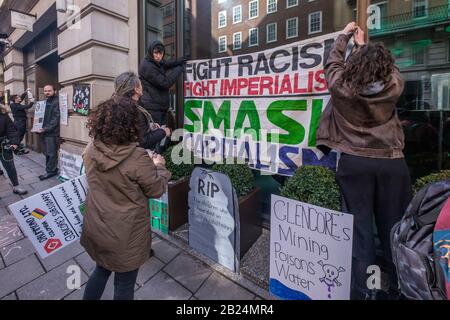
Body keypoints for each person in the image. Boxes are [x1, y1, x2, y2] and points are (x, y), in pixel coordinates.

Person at [316, 22, 412, 300]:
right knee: (394, 228)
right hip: (392, 164)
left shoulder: (341, 87)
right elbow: (392, 70)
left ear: (353, 68)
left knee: (360, 232)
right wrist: (363, 46)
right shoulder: (394, 86)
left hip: (354, 163)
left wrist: (345, 36)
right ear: (385, 66)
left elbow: (332, 61)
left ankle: (366, 291)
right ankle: (400, 287)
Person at [81, 97, 171, 300]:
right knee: (124, 285)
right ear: (130, 124)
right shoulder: (137, 156)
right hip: (126, 234)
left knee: (100, 271)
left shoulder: (91, 148)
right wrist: (159, 166)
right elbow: (156, 188)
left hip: (97, 226)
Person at [113, 71, 171, 150]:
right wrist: (163, 132)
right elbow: (142, 142)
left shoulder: (114, 106)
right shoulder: (134, 111)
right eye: (140, 84)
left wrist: (148, 126)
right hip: (131, 157)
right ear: (136, 89)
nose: (142, 87)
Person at [138, 41, 185, 126]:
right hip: (152, 108)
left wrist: (178, 61)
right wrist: (179, 69)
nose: (158, 56)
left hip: (157, 105)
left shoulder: (153, 60)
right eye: (156, 53)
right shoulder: (147, 66)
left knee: (161, 132)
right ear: (151, 52)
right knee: (156, 134)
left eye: (161, 53)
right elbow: (165, 83)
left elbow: (164, 63)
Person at [0, 104, 28, 195]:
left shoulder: (4, 116)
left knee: (10, 166)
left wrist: (15, 142)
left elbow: (11, 130)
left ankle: (16, 186)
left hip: (3, 145)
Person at [36, 85, 60, 180]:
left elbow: (56, 118)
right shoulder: (45, 101)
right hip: (44, 131)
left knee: (51, 153)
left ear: (55, 90)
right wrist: (37, 127)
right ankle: (51, 169)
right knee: (46, 152)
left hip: (51, 132)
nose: (47, 92)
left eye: (49, 90)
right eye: (45, 91)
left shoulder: (57, 101)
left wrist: (45, 128)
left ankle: (51, 171)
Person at [10, 89, 34, 155]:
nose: (20, 98)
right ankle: (16, 150)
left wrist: (25, 92)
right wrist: (32, 101)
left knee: (18, 137)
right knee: (19, 137)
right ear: (16, 99)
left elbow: (22, 98)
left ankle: (17, 150)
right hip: (20, 123)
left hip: (17, 122)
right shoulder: (17, 106)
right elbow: (28, 106)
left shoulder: (14, 104)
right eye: (18, 97)